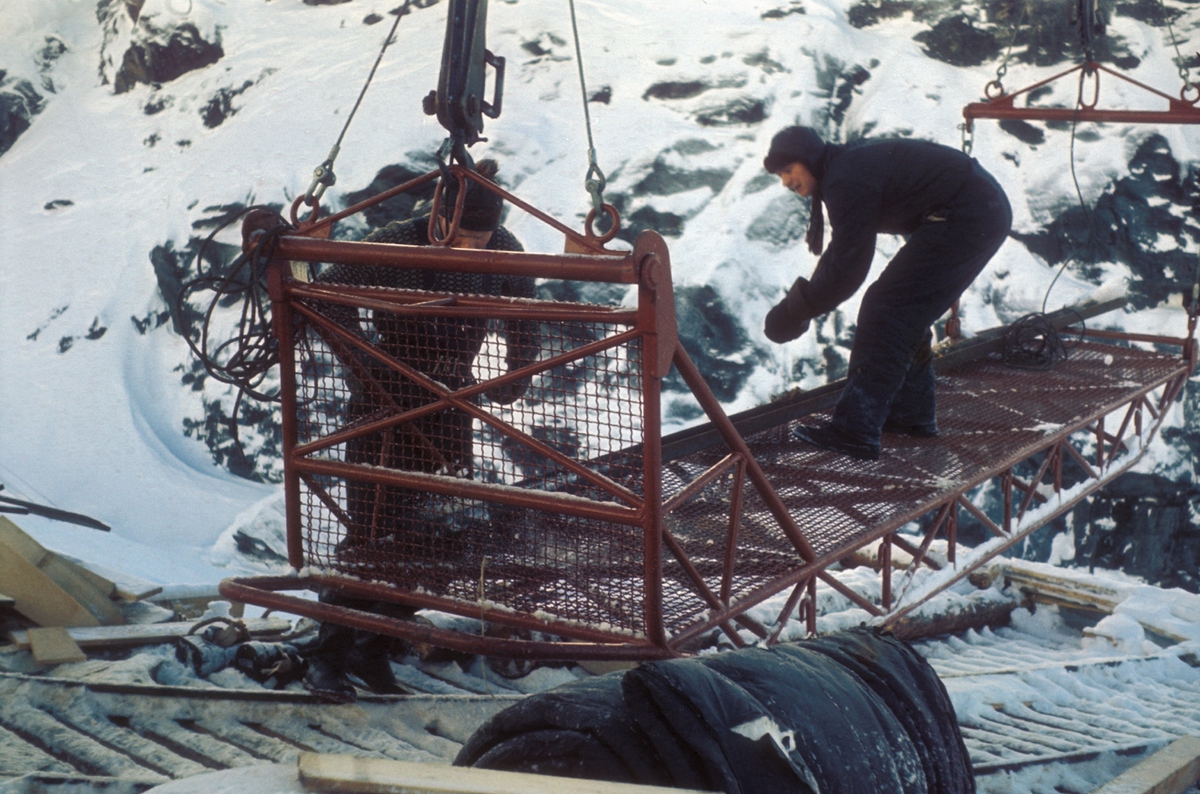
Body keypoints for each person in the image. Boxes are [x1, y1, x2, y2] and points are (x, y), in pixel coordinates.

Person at [303, 159, 539, 701]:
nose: (472, 249)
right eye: (462, 237)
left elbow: (523, 313)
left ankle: (375, 645)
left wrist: (515, 373)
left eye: (480, 238)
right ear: (437, 218)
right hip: (381, 408)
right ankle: (329, 654)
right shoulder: (398, 244)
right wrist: (364, 366)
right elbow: (325, 300)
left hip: (449, 404)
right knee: (371, 534)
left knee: (434, 533)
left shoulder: (505, 248)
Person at [761, 126, 1012, 461]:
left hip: (967, 214)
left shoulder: (844, 179)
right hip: (975, 210)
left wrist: (795, 311)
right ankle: (910, 416)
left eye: (788, 170)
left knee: (887, 306)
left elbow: (848, 270)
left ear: (808, 159)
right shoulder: (843, 169)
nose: (786, 182)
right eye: (780, 175)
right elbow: (841, 252)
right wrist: (799, 306)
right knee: (903, 309)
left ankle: (856, 429)